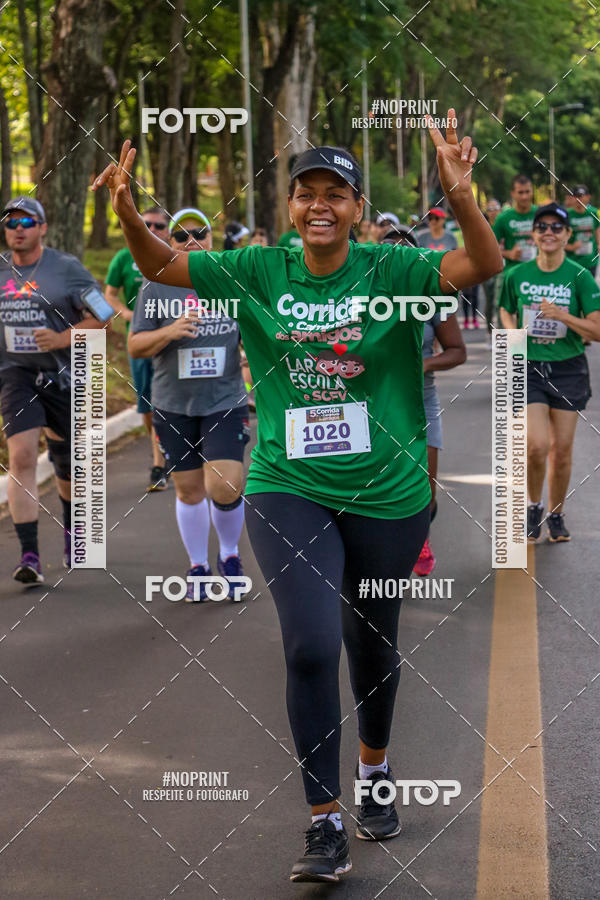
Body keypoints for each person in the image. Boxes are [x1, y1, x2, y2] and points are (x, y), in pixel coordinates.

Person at [94, 115, 502, 883]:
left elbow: (480, 263)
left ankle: (376, 772)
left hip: (389, 491)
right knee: (310, 644)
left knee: (371, 644)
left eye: (336, 195)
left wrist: (460, 193)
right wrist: (124, 213)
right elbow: (164, 265)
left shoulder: (391, 269)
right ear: (288, 206)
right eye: (306, 193)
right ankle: (323, 822)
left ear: (355, 207)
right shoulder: (257, 270)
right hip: (289, 486)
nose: (321, 205)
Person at [128, 209, 250, 600]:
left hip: (224, 400)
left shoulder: (231, 279)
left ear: (213, 238)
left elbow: (255, 330)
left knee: (226, 485)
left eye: (201, 233)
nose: (191, 240)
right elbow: (135, 345)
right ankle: (198, 565)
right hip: (173, 403)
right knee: (189, 491)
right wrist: (170, 330)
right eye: (181, 236)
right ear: (170, 242)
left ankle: (230, 557)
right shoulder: (155, 285)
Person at [0, 196, 108, 584]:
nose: (18, 228)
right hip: (17, 375)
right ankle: (29, 555)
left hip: (63, 375)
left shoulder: (67, 269)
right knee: (22, 457)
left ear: (43, 228)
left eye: (27, 221)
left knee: (66, 463)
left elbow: (104, 318)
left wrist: (63, 338)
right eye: (11, 221)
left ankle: (72, 532)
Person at [499, 202, 600, 542]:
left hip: (568, 368)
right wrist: (512, 333)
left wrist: (563, 316)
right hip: (528, 367)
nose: (549, 232)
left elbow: (596, 330)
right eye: (542, 226)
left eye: (557, 227)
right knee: (537, 446)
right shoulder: (517, 275)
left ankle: (556, 515)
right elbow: (504, 309)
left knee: (562, 451)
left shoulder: (580, 276)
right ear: (534, 233)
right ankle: (533, 506)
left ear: (568, 234)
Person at [381, 226, 466, 576]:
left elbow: (457, 351)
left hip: (421, 403)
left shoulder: (433, 296)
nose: (395, 259)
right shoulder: (359, 298)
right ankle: (384, 552)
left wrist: (424, 364)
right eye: (387, 253)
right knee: (378, 487)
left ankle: (421, 538)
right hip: (376, 406)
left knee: (424, 489)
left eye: (404, 253)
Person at [105, 206, 170, 491]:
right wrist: (128, 316)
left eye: (158, 226)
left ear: (168, 230)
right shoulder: (124, 257)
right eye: (146, 225)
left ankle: (160, 464)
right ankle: (161, 451)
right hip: (141, 338)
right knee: (146, 403)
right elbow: (110, 294)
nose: (152, 231)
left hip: (172, 338)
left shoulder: (171, 257)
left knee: (164, 398)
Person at [493, 174, 537, 270]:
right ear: (512, 193)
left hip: (539, 272)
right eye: (520, 192)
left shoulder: (541, 214)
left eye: (527, 191)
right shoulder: (503, 218)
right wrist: (509, 254)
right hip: (514, 271)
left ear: (532, 192)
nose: (524, 196)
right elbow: (490, 249)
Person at [565, 185, 600, 276]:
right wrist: (571, 247)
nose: (578, 199)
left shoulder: (594, 212)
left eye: (580, 196)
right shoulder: (567, 215)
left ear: (588, 197)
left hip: (590, 261)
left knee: (589, 288)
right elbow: (559, 241)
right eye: (575, 196)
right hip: (572, 262)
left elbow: (597, 229)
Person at [482, 199, 502, 347]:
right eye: (490, 209)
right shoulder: (482, 225)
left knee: (500, 301)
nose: (493, 211)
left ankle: (502, 334)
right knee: (490, 301)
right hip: (487, 267)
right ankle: (489, 332)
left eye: (496, 208)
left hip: (504, 267)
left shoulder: (504, 224)